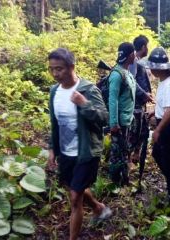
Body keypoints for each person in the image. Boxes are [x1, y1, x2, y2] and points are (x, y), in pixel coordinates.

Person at [46, 48, 111, 240]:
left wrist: (84, 104)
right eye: (52, 69)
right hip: (66, 152)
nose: (55, 74)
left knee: (75, 198)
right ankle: (99, 208)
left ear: (71, 67)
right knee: (76, 188)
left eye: (59, 69)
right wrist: (52, 149)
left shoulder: (88, 90)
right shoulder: (54, 92)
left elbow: (104, 118)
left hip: (86, 151)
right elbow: (55, 124)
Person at [146, 47, 170, 202]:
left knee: (168, 159)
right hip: (168, 123)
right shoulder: (167, 80)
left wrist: (158, 130)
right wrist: (155, 112)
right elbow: (166, 105)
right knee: (161, 156)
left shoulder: (169, 84)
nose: (151, 71)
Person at [108, 42, 136, 186]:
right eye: (134, 54)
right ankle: (114, 181)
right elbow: (113, 100)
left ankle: (124, 180)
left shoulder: (128, 73)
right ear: (131, 55)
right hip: (120, 122)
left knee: (125, 151)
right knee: (116, 153)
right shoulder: (117, 75)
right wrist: (114, 123)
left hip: (127, 119)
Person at [128, 35, 153, 175]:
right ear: (143, 47)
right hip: (134, 105)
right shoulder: (133, 62)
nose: (147, 48)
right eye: (147, 46)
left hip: (140, 105)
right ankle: (128, 160)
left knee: (143, 130)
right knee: (134, 131)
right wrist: (144, 94)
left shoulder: (139, 62)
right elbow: (131, 81)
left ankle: (136, 155)